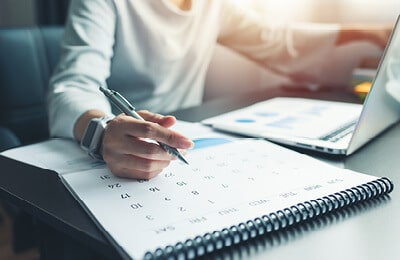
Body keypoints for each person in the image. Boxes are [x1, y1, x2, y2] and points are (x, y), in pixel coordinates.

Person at [47, 0, 392, 180]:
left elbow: (278, 41)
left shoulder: (212, 3)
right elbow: (73, 85)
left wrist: (372, 33)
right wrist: (103, 130)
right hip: (117, 151)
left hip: (186, 139)